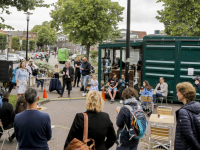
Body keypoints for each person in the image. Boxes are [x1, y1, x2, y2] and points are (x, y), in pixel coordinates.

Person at [175, 82, 200, 150]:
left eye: (178, 92)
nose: (177, 94)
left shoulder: (183, 112)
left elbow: (188, 135)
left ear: (183, 94)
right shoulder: (197, 107)